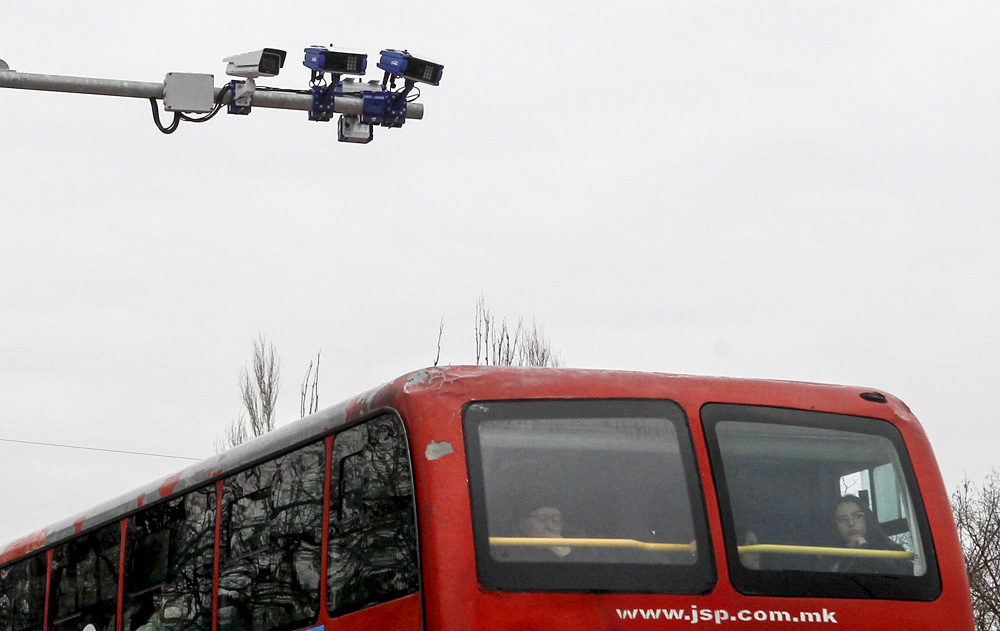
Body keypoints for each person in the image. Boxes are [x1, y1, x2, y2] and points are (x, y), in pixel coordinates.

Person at [830, 495, 912, 575]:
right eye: (842, 519)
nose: (851, 523)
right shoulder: (830, 557)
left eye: (858, 516)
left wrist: (865, 548)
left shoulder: (892, 549)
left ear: (867, 519)